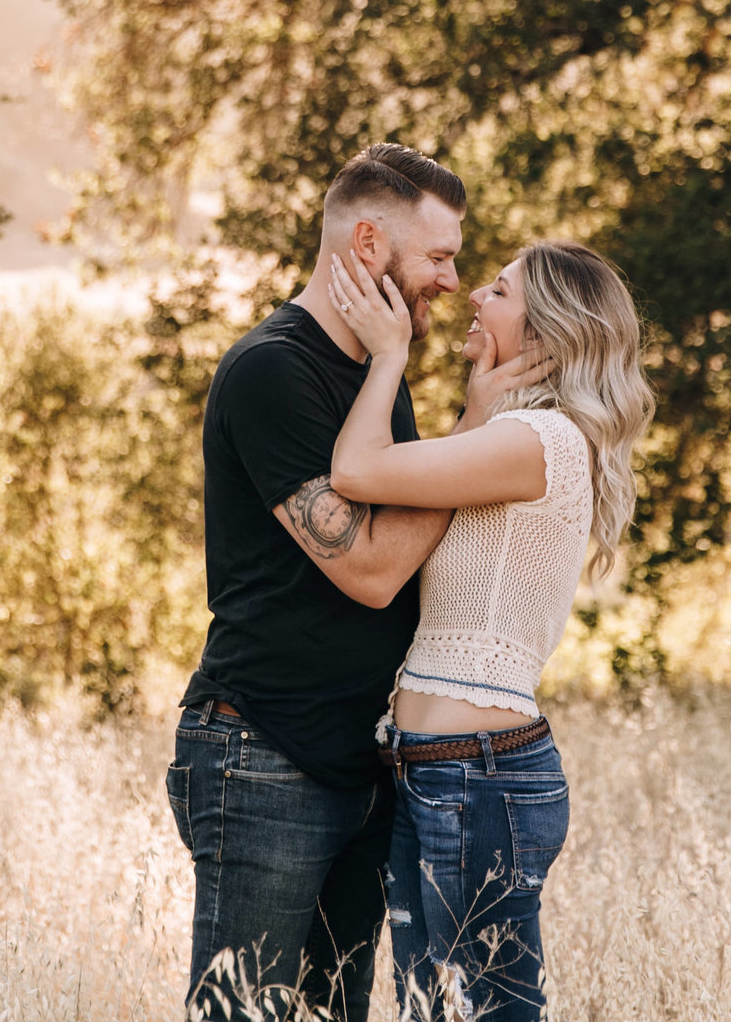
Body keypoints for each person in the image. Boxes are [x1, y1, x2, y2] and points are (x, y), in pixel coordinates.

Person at [167, 144, 549, 1020]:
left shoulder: (381, 376)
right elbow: (372, 568)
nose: (452, 282)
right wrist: (468, 428)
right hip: (264, 757)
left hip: (361, 765)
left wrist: (463, 420)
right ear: (369, 243)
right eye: (441, 257)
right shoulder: (274, 369)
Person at [324, 239, 653, 1022]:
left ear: (542, 333)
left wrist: (389, 353)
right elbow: (423, 486)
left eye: (499, 290)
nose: (475, 294)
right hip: (441, 769)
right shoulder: (513, 438)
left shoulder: (538, 442)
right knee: (432, 1010)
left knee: (489, 1011)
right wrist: (476, 407)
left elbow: (356, 471)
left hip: (479, 777)